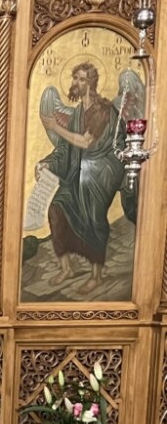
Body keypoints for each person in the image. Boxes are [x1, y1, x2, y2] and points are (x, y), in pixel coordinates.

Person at [36, 62, 126, 295]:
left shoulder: (103, 110)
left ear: (91, 83)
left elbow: (86, 142)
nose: (76, 83)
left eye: (81, 79)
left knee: (93, 216)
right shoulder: (77, 113)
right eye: (75, 78)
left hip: (101, 171)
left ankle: (96, 274)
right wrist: (48, 163)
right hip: (80, 171)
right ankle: (66, 268)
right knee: (56, 208)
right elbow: (67, 148)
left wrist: (55, 126)